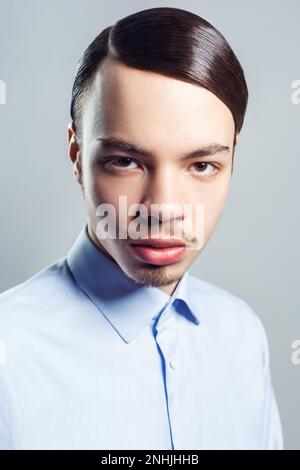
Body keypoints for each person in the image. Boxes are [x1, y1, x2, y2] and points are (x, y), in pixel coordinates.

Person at [0, 7, 284, 450]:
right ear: (77, 154)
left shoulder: (243, 336)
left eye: (203, 164)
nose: (164, 209)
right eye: (125, 161)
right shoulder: (8, 356)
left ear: (233, 158)